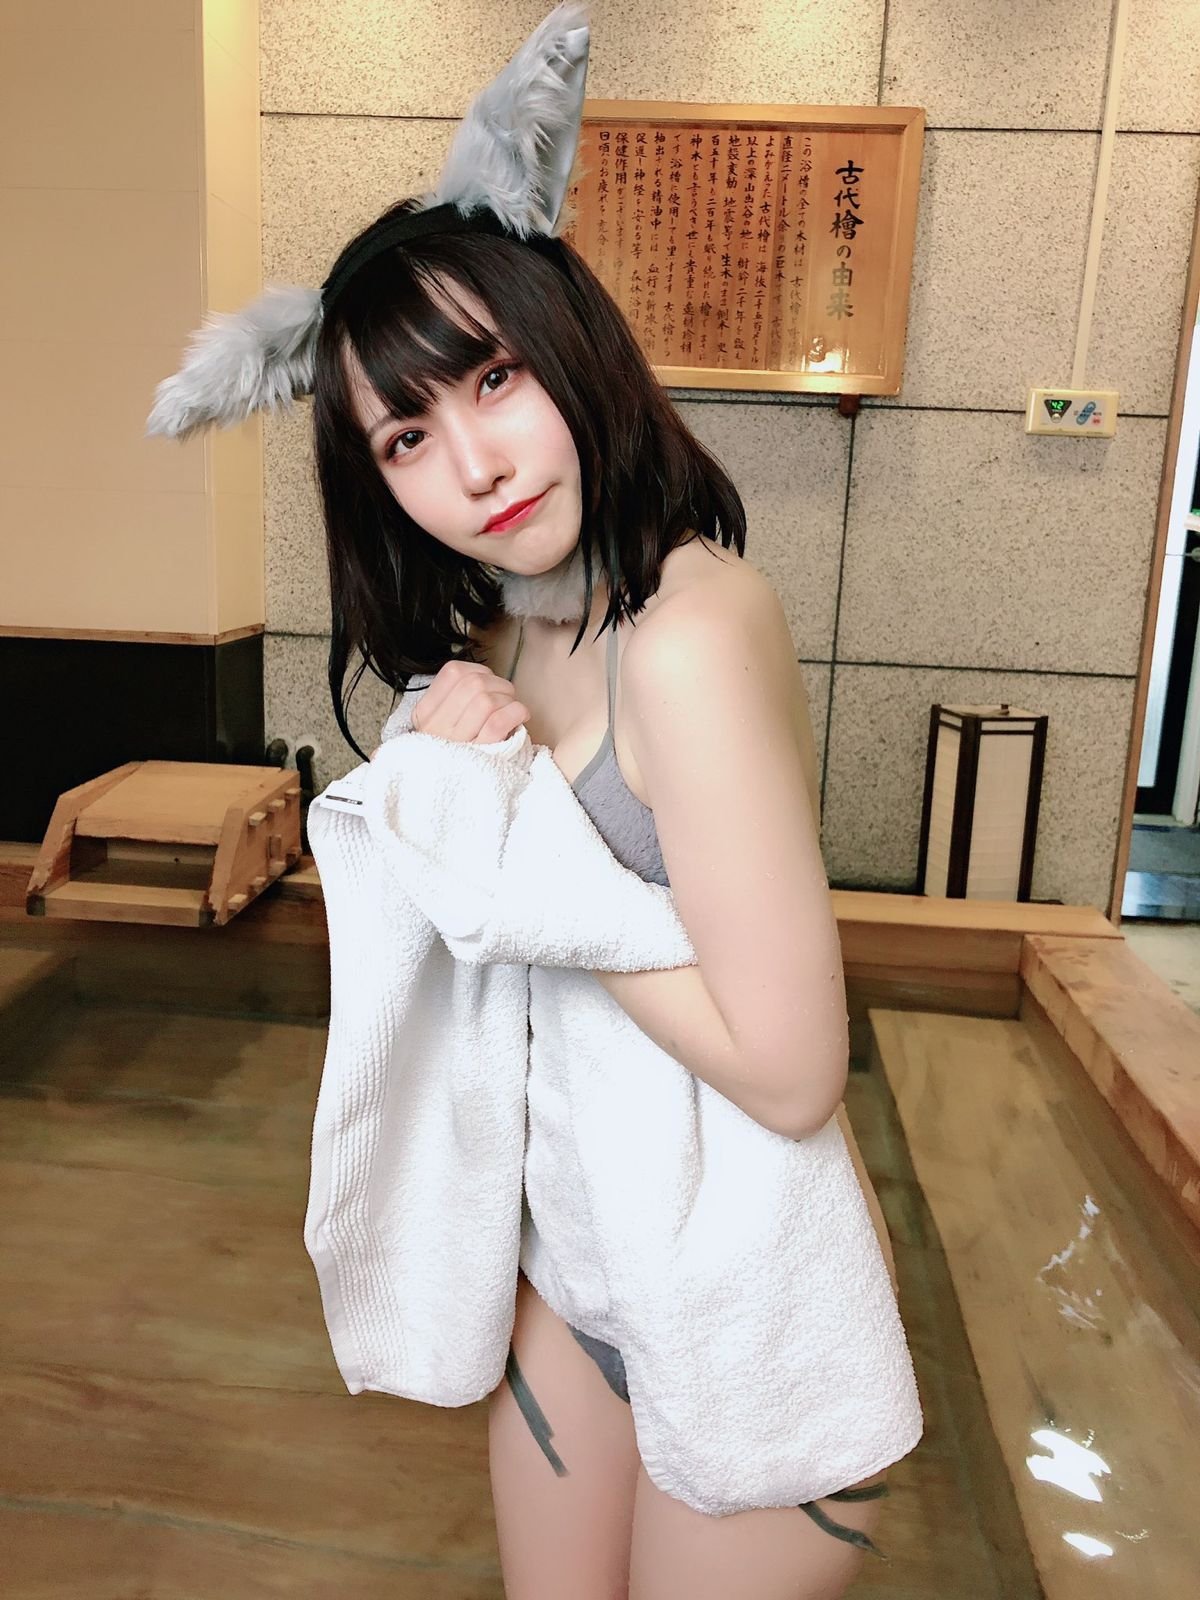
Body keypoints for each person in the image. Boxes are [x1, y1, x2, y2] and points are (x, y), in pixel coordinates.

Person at [147, 6, 918, 1595]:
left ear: (566, 342)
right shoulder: (502, 635)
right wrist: (441, 777)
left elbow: (792, 1072)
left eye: (493, 376)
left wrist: (522, 872)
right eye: (408, 435)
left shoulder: (687, 631)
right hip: (575, 1272)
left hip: (746, 1292)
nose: (477, 463)